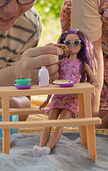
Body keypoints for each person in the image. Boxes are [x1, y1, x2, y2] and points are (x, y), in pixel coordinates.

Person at [35, 29, 98, 157]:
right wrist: (47, 100)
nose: (72, 46)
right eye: (68, 43)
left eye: (75, 43)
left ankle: (48, 148)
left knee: (60, 124)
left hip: (73, 99)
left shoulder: (83, 65)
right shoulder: (61, 63)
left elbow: (96, 82)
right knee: (49, 122)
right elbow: (53, 82)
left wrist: (86, 91)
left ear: (81, 46)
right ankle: (39, 147)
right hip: (58, 96)